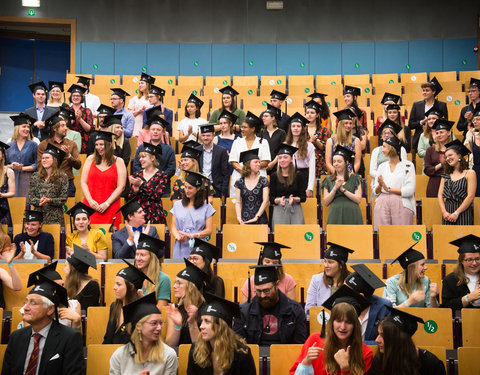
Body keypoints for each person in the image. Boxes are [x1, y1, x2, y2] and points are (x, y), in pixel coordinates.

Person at [1, 274, 85, 375]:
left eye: (33, 303)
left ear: (50, 309)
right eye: (26, 302)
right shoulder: (16, 337)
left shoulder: (69, 338)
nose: (25, 308)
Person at [290, 287, 373, 375]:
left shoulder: (364, 353)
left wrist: (345, 369)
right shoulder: (315, 340)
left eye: (348, 322)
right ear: (331, 322)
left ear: (355, 325)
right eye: (338, 321)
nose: (343, 327)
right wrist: (306, 362)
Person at [233, 265, 307, 345]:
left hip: (286, 356)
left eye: (267, 290)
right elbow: (238, 346)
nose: (262, 295)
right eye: (258, 291)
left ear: (277, 285)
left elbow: (299, 347)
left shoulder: (295, 311)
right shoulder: (243, 312)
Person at [187, 293, 256, 375]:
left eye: (207, 321)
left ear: (221, 326)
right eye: (202, 321)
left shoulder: (242, 354)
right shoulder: (196, 350)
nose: (201, 326)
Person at [109, 293, 178, 375]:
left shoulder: (168, 355)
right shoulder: (119, 356)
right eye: (154, 323)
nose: (159, 327)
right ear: (138, 326)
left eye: (161, 323)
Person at [372, 307, 446, 375]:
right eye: (378, 334)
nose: (377, 340)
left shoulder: (430, 364)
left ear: (399, 340)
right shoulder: (379, 360)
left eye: (383, 336)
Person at [81, 131, 127, 228]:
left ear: (110, 144)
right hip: (91, 205)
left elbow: (121, 186)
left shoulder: (119, 162)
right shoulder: (90, 159)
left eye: (101, 144)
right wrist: (90, 201)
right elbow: (83, 182)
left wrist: (107, 203)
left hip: (110, 206)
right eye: (96, 145)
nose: (98, 147)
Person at [103, 259, 153, 344]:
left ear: (131, 287)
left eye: (118, 284)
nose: (114, 287)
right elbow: (108, 338)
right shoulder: (115, 307)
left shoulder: (141, 312)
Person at [21, 262, 82, 331]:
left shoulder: (73, 305)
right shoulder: (30, 308)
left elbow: (76, 340)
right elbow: (29, 337)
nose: (61, 289)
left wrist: (76, 322)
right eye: (56, 286)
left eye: (62, 285)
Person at [373, 136, 415, 230]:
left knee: (401, 235)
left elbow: (409, 190)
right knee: (382, 234)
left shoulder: (408, 165)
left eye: (384, 147)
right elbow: (375, 191)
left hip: (402, 203)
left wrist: (388, 188)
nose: (382, 150)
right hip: (382, 203)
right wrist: (380, 185)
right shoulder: (382, 166)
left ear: (392, 148)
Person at [170, 171, 216, 259]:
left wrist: (192, 235)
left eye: (190, 188)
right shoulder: (177, 204)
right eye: (185, 187)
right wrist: (177, 236)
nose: (186, 191)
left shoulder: (206, 206)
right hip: (180, 246)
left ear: (198, 188)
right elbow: (173, 226)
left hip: (198, 246)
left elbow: (209, 230)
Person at [344, 264, 392, 345]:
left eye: (346, 290)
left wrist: (357, 345)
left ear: (360, 296)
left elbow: (387, 341)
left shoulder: (384, 307)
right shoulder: (340, 304)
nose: (342, 293)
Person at [37, 113, 82, 197]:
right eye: (63, 126)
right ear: (54, 128)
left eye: (66, 125)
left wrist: (68, 156)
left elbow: (78, 165)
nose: (66, 128)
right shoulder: (43, 145)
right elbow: (39, 165)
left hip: (67, 184)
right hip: (48, 184)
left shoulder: (71, 144)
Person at [166, 259, 209, 346]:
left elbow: (201, 348)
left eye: (179, 283)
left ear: (191, 288)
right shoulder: (175, 310)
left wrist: (192, 322)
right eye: (175, 283)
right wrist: (177, 326)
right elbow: (170, 345)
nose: (174, 286)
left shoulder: (206, 311)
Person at [229, 111, 271, 197]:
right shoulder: (237, 142)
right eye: (242, 127)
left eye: (245, 127)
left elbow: (266, 161)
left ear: (253, 129)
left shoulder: (263, 142)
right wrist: (243, 171)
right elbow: (233, 161)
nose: (242, 129)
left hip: (258, 176)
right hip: (239, 176)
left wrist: (252, 169)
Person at [132, 115, 176, 197]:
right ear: (149, 131)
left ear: (163, 132)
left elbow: (171, 169)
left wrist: (158, 179)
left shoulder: (169, 149)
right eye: (153, 129)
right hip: (143, 187)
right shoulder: (141, 147)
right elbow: (136, 165)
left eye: (158, 130)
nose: (155, 132)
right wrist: (146, 179)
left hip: (163, 189)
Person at [305, 242, 353, 315]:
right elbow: (309, 309)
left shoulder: (352, 281)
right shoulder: (316, 280)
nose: (326, 265)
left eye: (330, 262)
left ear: (341, 265)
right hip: (321, 322)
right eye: (325, 261)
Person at [128, 142, 168, 224]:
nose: (140, 160)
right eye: (140, 157)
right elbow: (130, 197)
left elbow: (156, 195)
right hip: (139, 215)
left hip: (155, 214)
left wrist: (141, 185)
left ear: (152, 158)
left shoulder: (162, 175)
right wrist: (135, 190)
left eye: (143, 157)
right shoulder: (137, 174)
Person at [28, 143, 68, 226]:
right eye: (42, 158)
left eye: (47, 158)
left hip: (55, 217)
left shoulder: (62, 176)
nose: (44, 160)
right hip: (38, 217)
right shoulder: (35, 176)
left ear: (55, 160)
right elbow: (31, 197)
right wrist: (40, 201)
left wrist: (49, 200)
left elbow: (63, 199)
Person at [438, 139, 476, 225]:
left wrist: (456, 213)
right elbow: (440, 195)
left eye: (450, 155)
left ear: (459, 156)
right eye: (446, 157)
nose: (448, 158)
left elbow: (470, 196)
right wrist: (444, 212)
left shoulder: (470, 173)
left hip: (463, 212)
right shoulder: (446, 175)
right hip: (447, 214)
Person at [322, 146, 363, 225]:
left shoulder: (355, 178)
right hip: (335, 214)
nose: (336, 164)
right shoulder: (328, 180)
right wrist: (335, 188)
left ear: (346, 162)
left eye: (339, 161)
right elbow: (326, 202)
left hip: (352, 214)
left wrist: (343, 189)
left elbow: (358, 200)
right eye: (334, 161)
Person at [270, 144, 307, 225]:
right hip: (279, 208)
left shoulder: (299, 175)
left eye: (285, 157)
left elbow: (303, 197)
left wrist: (294, 199)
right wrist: (279, 200)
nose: (282, 160)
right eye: (280, 158)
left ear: (291, 159)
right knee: (281, 235)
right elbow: (271, 198)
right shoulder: (274, 176)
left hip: (295, 208)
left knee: (297, 234)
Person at [408, 77, 448, 152]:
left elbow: (446, 123)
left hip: (438, 138)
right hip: (421, 138)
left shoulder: (442, 105)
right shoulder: (416, 105)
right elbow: (410, 124)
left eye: (427, 90)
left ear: (433, 92)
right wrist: (421, 122)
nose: (424, 93)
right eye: (423, 90)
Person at [441, 234, 480, 312]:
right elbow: (446, 307)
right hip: (462, 322)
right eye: (469, 260)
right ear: (461, 261)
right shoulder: (450, 280)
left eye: (477, 259)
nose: (474, 263)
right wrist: (468, 298)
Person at [369, 120, 407, 193]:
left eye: (389, 133)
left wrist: (391, 178)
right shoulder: (376, 151)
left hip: (396, 183)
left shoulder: (401, 150)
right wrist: (383, 178)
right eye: (384, 133)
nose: (386, 135)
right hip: (379, 183)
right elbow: (372, 171)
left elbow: (403, 167)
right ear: (381, 136)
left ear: (396, 136)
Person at [135, 233, 171, 308]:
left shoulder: (163, 279)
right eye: (137, 254)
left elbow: (160, 309)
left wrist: (144, 300)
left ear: (152, 258)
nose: (138, 258)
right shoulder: (133, 276)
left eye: (142, 255)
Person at [234, 148, 269, 225]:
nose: (259, 164)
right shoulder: (239, 182)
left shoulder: (263, 180)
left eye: (259, 162)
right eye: (255, 162)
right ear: (248, 164)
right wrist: (239, 218)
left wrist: (256, 217)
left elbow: (265, 201)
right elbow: (238, 202)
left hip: (260, 218)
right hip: (244, 219)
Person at [6, 113, 38, 197]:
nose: (27, 129)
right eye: (24, 126)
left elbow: (38, 164)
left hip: (29, 180)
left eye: (28, 127)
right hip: (12, 181)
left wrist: (22, 168)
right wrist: (12, 166)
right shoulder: (9, 146)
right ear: (16, 128)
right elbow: (3, 166)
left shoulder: (34, 145)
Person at [285, 113, 316, 197]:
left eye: (298, 126)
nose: (295, 128)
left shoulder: (309, 146)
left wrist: (310, 188)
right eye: (293, 126)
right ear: (290, 128)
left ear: (302, 129)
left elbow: (312, 169)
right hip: (288, 176)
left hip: (303, 177)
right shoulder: (285, 145)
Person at [197, 124, 230, 198]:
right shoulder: (196, 151)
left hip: (216, 188)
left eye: (208, 135)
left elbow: (225, 173)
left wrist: (223, 191)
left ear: (213, 135)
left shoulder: (221, 151)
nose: (205, 138)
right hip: (199, 187)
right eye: (203, 135)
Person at [65, 245, 101, 310]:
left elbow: (86, 312)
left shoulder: (92, 286)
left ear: (73, 270)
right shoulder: (69, 284)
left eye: (66, 266)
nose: (64, 269)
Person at [326, 109, 361, 175]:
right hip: (335, 176)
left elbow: (357, 163)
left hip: (351, 175)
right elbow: (328, 163)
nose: (349, 126)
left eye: (350, 123)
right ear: (340, 125)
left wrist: (350, 176)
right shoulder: (331, 141)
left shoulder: (356, 141)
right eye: (346, 123)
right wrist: (338, 175)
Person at [424, 118, 453, 197]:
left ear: (449, 133)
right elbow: (427, 170)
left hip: (452, 183)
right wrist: (441, 164)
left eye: (441, 132)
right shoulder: (430, 150)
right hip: (434, 183)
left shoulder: (454, 149)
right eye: (437, 133)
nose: (439, 135)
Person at [305, 99, 330, 178]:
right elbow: (299, 147)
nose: (309, 115)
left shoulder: (323, 129)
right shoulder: (302, 129)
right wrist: (310, 141)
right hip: (305, 163)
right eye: (307, 113)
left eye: (312, 113)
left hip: (319, 164)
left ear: (317, 115)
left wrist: (316, 141)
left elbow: (326, 148)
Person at [68, 83, 94, 153]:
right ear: (71, 97)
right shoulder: (66, 110)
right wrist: (70, 122)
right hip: (68, 139)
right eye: (73, 95)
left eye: (78, 96)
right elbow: (62, 126)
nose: (75, 97)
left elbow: (89, 129)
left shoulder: (87, 111)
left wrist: (80, 119)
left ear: (82, 97)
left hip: (83, 141)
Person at [261, 104, 286, 174]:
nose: (263, 118)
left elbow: (282, 150)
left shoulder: (282, 133)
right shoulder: (261, 133)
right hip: (263, 166)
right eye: (263, 116)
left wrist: (273, 163)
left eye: (266, 116)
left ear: (273, 118)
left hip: (278, 166)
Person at [128, 72, 154, 137]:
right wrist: (139, 111)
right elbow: (129, 114)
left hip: (149, 127)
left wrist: (147, 111)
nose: (140, 85)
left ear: (148, 85)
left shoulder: (153, 99)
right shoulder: (135, 99)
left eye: (142, 83)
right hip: (137, 126)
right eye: (139, 83)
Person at [0, 141, 15, 226]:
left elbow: (12, 192)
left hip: (2, 206)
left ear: (2, 156)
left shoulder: (9, 172)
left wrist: (2, 195)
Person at [467, 107, 480, 196]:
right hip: (476, 171)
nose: (475, 122)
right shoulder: (472, 138)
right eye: (474, 120)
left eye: (478, 119)